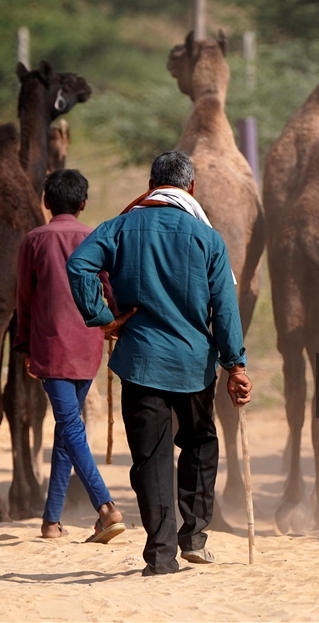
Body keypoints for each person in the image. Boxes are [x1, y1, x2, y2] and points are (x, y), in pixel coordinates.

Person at [68, 150, 253, 576]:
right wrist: (236, 365)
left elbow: (79, 265)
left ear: (151, 185)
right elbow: (225, 309)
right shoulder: (207, 238)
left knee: (151, 458)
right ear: (191, 188)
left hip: (141, 361)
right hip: (193, 364)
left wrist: (102, 320)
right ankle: (194, 536)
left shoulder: (120, 226)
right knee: (201, 445)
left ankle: (161, 555)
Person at [15, 168, 127, 543]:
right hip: (87, 346)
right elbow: (109, 290)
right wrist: (114, 323)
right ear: (83, 203)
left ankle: (106, 507)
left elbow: (25, 301)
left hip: (50, 346)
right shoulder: (95, 237)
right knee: (68, 429)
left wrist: (25, 347)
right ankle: (51, 521)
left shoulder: (33, 240)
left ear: (46, 203)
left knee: (70, 428)